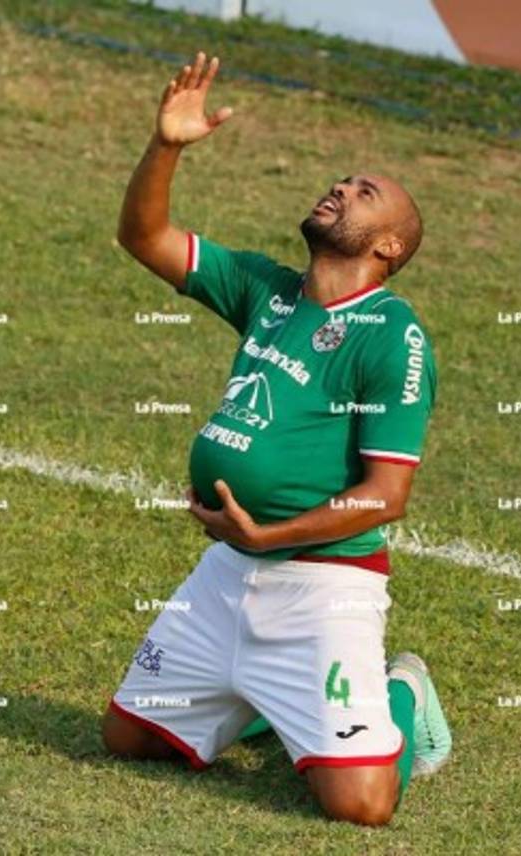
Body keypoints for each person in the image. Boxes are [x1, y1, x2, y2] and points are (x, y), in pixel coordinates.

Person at [103, 53, 452, 826]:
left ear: (387, 248)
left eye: (366, 194)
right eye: (343, 181)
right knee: (128, 737)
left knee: (360, 806)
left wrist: (273, 532)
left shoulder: (393, 336)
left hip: (324, 589)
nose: (341, 189)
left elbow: (385, 495)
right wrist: (168, 146)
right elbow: (144, 235)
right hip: (229, 572)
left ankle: (401, 693)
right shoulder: (267, 289)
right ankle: (268, 700)